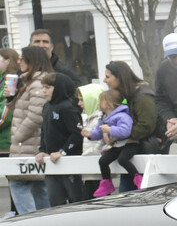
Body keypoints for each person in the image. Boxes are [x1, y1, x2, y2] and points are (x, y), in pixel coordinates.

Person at [7, 47, 53, 213]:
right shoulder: (30, 83)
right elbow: (21, 112)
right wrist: (11, 99)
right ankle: (45, 221)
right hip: (29, 144)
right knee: (39, 188)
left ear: (32, 61)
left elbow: (35, 116)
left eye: (23, 59)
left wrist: (17, 137)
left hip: (28, 145)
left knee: (18, 184)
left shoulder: (36, 84)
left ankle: (29, 220)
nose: (19, 62)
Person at [103, 61, 162, 182]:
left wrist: (119, 135)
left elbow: (146, 127)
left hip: (145, 154)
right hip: (128, 154)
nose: (104, 80)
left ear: (120, 77)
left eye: (108, 77)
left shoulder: (143, 97)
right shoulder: (126, 97)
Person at [38, 72, 84, 205]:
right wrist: (42, 150)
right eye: (43, 87)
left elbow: (77, 133)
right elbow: (44, 131)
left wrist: (63, 151)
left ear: (58, 88)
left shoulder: (68, 108)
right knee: (54, 200)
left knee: (75, 199)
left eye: (48, 87)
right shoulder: (47, 107)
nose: (44, 91)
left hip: (68, 161)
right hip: (51, 163)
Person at [90, 86, 136, 197]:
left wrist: (110, 130)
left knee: (122, 160)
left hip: (126, 145)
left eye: (101, 101)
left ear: (109, 104)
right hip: (115, 146)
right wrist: (90, 135)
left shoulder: (122, 116)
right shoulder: (103, 117)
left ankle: (137, 178)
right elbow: (99, 131)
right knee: (103, 161)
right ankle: (106, 183)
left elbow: (126, 131)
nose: (98, 103)